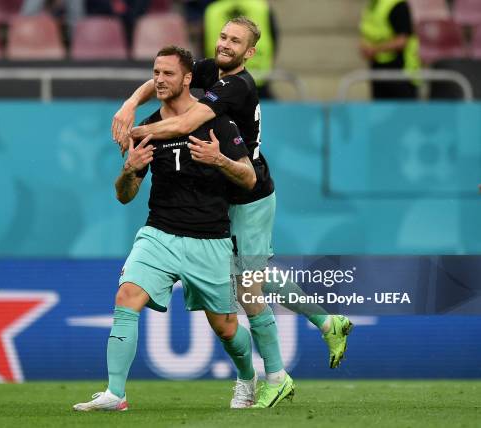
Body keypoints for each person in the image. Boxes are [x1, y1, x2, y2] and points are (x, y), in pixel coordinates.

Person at [112, 16, 353, 408]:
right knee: (256, 273)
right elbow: (163, 79)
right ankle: (328, 322)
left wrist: (133, 131)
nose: (224, 44)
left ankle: (276, 375)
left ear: (251, 52)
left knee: (247, 286)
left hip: (249, 193)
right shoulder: (212, 69)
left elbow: (186, 122)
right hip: (234, 194)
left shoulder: (236, 86)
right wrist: (129, 104)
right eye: (223, 36)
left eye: (235, 41)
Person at [73, 45, 258, 411]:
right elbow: (125, 197)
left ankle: (247, 378)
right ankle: (116, 394)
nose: (159, 79)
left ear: (188, 78)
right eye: (155, 72)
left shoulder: (218, 121)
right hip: (158, 234)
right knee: (127, 296)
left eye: (167, 73)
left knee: (226, 328)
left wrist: (218, 159)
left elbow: (249, 178)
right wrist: (128, 170)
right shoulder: (149, 130)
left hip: (209, 238)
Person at [359, 0, 421, 99]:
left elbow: (402, 40)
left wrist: (374, 49)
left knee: (405, 111)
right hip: (378, 68)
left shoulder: (397, 5)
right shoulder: (374, 5)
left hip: (401, 72)